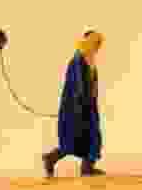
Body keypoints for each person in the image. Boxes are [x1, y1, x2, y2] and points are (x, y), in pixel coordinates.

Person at [42, 29, 105, 178]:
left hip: (88, 105)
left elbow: (92, 84)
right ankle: (51, 158)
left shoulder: (89, 59)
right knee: (74, 138)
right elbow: (78, 86)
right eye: (95, 42)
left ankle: (87, 167)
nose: (97, 46)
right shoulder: (78, 60)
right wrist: (81, 104)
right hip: (77, 106)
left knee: (92, 136)